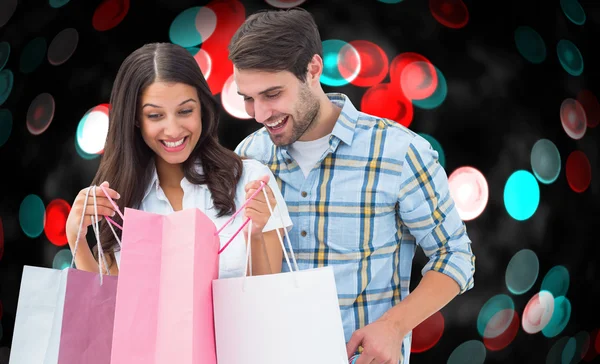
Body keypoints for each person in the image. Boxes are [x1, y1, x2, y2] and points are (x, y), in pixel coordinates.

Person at [229, 8, 475, 364]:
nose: (259, 114)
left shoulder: (399, 152)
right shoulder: (249, 156)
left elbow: (455, 256)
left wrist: (393, 327)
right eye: (248, 98)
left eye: (272, 94)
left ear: (313, 70)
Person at [64, 42, 292, 279]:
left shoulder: (250, 181)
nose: (173, 130)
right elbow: (107, 309)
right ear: (135, 119)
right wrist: (77, 240)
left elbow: (266, 298)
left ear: (202, 109)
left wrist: (254, 236)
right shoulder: (118, 199)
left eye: (185, 111)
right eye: (155, 115)